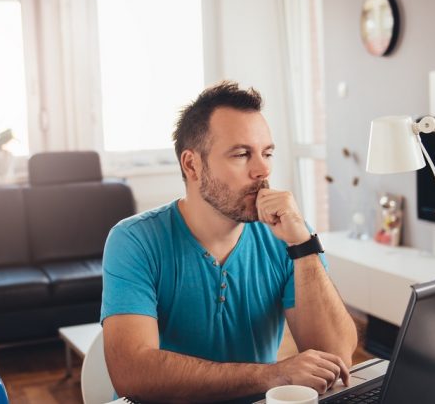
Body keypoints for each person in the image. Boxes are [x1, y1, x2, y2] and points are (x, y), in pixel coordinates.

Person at [101, 81, 358, 403]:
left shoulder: (289, 237)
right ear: (192, 165)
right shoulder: (135, 240)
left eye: (267, 153)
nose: (263, 170)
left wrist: (304, 247)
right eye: (241, 154)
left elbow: (335, 358)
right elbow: (133, 373)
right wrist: (274, 374)